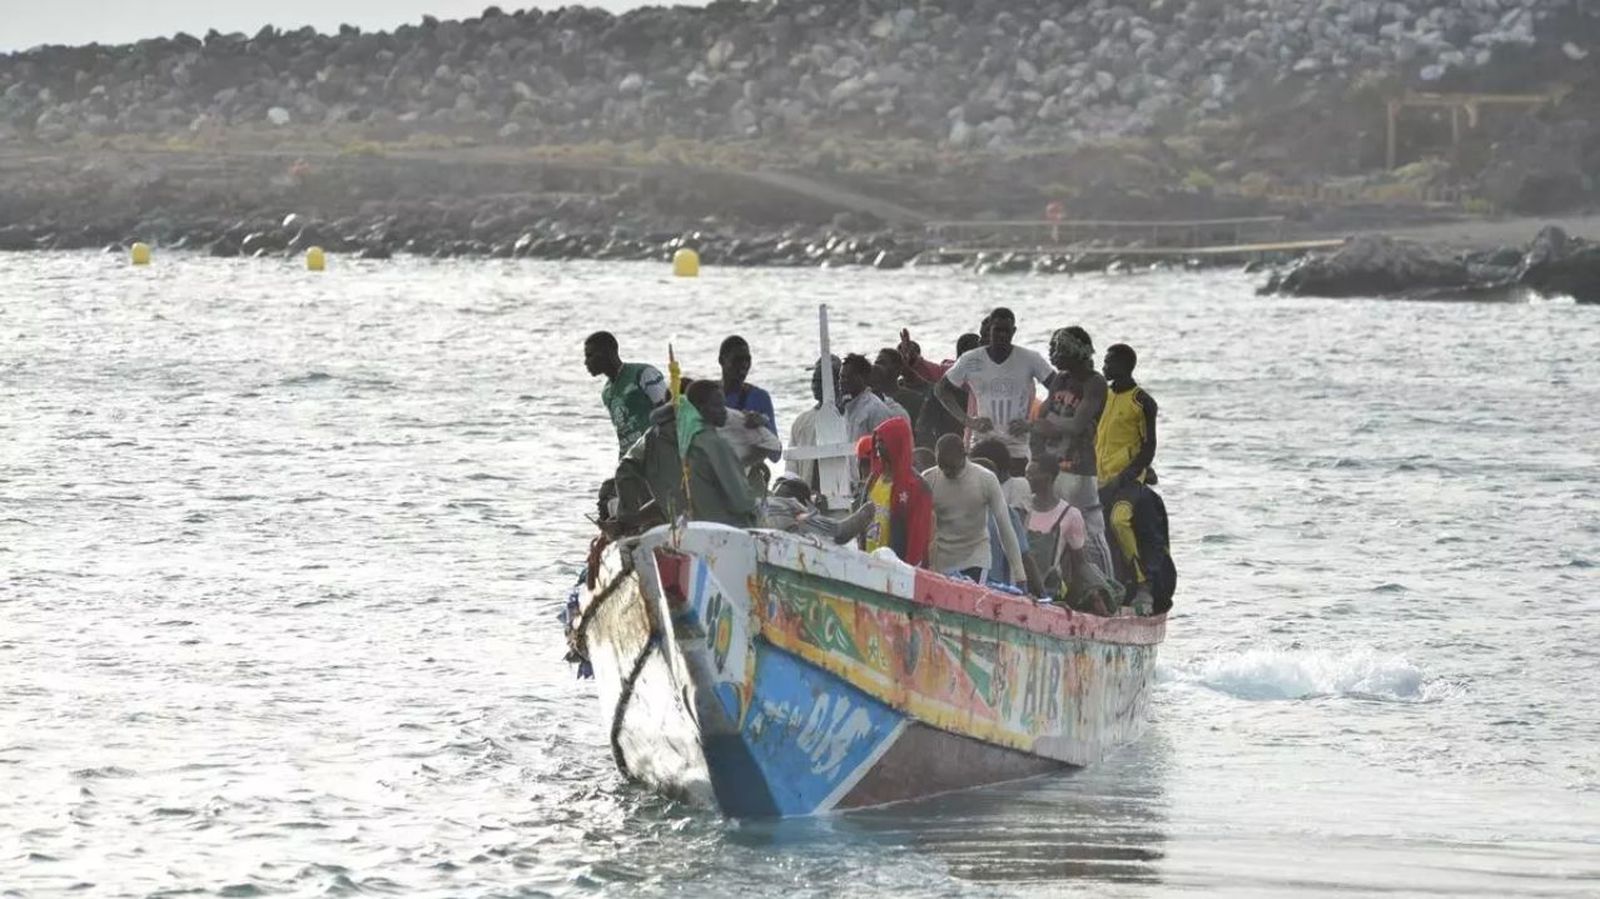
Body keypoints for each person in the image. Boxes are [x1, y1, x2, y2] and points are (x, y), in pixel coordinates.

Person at [1028, 326, 1116, 578]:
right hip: (1051, 465)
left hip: (1079, 467)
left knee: (1091, 529)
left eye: (1059, 349)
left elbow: (1077, 425)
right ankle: (1060, 584)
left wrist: (1049, 427)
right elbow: (1042, 418)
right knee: (1053, 527)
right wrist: (1043, 434)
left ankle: (1107, 583)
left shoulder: (1094, 382)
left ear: (1076, 351)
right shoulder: (1060, 379)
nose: (1053, 354)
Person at [934, 307, 1054, 467]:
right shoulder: (970, 359)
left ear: (1014, 331)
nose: (1002, 335)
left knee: (1014, 489)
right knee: (981, 490)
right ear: (989, 330)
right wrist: (968, 421)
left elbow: (1058, 389)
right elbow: (941, 389)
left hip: (1016, 447)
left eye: (1006, 331)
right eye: (997, 330)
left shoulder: (1030, 359)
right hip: (982, 443)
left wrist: (1032, 424)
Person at [1096, 343, 1159, 613]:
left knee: (1119, 521)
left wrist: (1129, 474)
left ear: (1124, 365)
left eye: (1110, 362)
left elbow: (1149, 446)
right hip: (1099, 477)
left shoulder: (1142, 401)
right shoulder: (1103, 396)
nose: (1105, 365)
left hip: (1128, 480)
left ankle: (1144, 584)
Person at [923, 434, 1026, 587]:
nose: (947, 472)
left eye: (952, 467)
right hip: (941, 561)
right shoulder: (929, 478)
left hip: (974, 559)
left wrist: (1020, 575)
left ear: (964, 455)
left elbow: (1005, 528)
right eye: (942, 467)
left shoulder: (985, 479)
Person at [1022, 460, 1118, 615]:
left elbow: (1079, 563)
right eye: (1026, 474)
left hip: (1048, 588)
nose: (1027, 479)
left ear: (1048, 478)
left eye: (1032, 475)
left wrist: (1095, 592)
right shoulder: (1022, 506)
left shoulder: (1070, 514)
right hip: (1017, 583)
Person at [681, 380, 758, 528]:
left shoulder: (687, 440)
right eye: (717, 405)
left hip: (697, 525)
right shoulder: (715, 444)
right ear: (699, 408)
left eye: (724, 405)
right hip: (728, 529)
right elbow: (741, 501)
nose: (724, 411)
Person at [859, 416, 933, 567]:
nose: (878, 446)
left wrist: (910, 570)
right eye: (877, 441)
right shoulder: (874, 478)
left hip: (895, 567)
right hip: (869, 562)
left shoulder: (916, 487)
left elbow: (917, 539)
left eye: (882, 442)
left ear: (896, 444)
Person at [584, 330, 668, 456]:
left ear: (607, 353)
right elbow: (623, 433)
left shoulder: (643, 373)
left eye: (590, 355)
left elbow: (668, 411)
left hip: (656, 454)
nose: (586, 362)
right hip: (631, 459)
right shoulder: (607, 392)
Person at [901, 331, 980, 449]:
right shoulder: (949, 371)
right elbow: (929, 369)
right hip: (954, 433)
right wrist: (912, 358)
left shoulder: (990, 371)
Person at [719, 335, 782, 465]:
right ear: (722, 360)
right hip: (716, 470)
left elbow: (776, 455)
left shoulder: (759, 397)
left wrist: (763, 423)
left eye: (747, 360)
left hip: (749, 472)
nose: (744, 365)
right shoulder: (708, 395)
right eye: (737, 360)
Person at [760, 474, 875, 544]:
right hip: (774, 513)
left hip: (757, 517)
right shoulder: (787, 505)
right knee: (795, 515)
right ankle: (838, 530)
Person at [787, 355, 842, 492]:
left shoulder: (846, 417)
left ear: (836, 383)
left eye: (821, 381)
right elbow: (791, 466)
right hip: (807, 495)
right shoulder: (801, 421)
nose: (815, 386)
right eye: (814, 381)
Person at [840, 353, 900, 449]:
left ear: (862, 378)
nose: (842, 381)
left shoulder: (875, 409)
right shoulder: (848, 410)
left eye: (848, 377)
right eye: (841, 377)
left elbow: (887, 447)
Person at [872, 348, 924, 425]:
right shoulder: (870, 398)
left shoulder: (914, 399)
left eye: (882, 363)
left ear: (897, 370)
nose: (876, 367)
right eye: (876, 363)